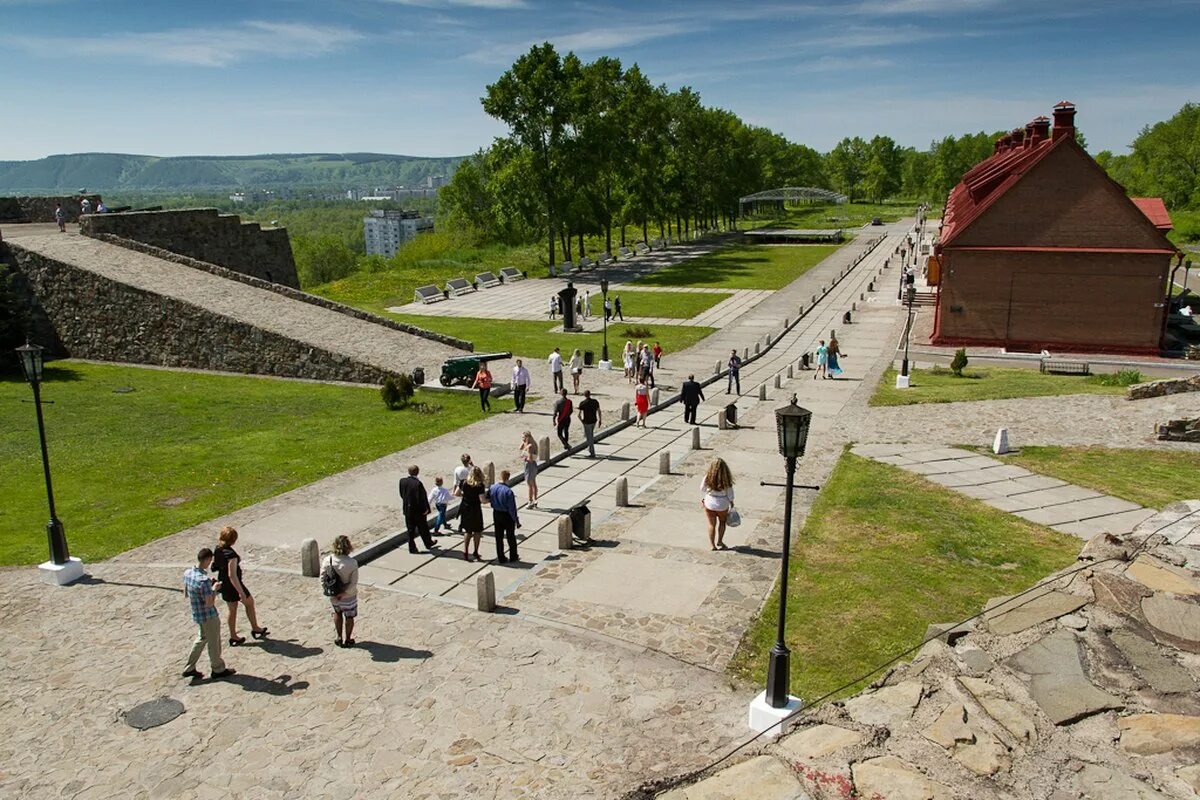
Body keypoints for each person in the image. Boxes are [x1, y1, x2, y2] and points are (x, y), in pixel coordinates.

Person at [182, 547, 234, 681]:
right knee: (214, 642)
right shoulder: (203, 581)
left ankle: (189, 667)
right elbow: (209, 603)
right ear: (207, 559)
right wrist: (214, 589)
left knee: (201, 638)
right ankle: (218, 669)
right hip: (209, 616)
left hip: (197, 614)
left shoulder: (188, 573)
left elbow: (186, 593)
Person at [212, 527, 268, 647]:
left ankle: (233, 635)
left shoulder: (218, 549)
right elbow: (232, 575)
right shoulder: (231, 555)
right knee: (249, 603)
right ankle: (255, 628)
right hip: (233, 585)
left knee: (232, 610)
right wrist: (241, 592)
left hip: (223, 583)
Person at [325, 535, 359, 647]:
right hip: (348, 596)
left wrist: (331, 592)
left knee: (337, 613)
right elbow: (353, 583)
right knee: (349, 616)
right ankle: (348, 639)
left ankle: (339, 637)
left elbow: (322, 578)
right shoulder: (352, 563)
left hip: (334, 595)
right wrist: (344, 593)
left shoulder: (328, 560)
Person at [398, 465, 435, 554]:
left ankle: (412, 547)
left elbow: (402, 494)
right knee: (423, 528)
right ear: (417, 472)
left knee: (410, 529)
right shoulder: (418, 484)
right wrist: (425, 509)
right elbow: (421, 498)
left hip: (408, 509)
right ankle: (428, 543)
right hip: (418, 511)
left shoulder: (402, 481)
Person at [701, 458, 735, 551]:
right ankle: (720, 541)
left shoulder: (708, 477)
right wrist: (732, 503)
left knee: (711, 524)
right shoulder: (726, 480)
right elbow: (730, 495)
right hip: (722, 504)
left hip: (710, 503)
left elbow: (702, 489)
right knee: (722, 523)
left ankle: (712, 545)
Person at [488, 470, 521, 563]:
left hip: (496, 513)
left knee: (499, 537)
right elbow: (512, 508)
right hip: (507, 515)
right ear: (508, 478)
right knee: (511, 537)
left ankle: (501, 557)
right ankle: (513, 556)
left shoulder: (493, 487)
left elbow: (488, 498)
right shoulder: (508, 491)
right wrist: (516, 520)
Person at [459, 466, 487, 561]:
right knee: (477, 531)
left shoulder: (464, 483)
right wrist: (490, 499)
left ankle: (466, 551)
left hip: (466, 508)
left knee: (468, 531)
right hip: (475, 509)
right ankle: (475, 551)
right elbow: (482, 500)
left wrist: (465, 495)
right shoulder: (480, 486)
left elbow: (457, 493)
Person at [578, 389, 601, 458]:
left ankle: (592, 452)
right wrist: (600, 420)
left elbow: (579, 415)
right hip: (594, 420)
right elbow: (599, 411)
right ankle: (589, 447)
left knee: (589, 437)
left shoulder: (582, 403)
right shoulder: (595, 401)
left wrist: (582, 421)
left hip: (587, 422)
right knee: (589, 434)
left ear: (584, 395)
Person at [520, 431, 539, 508]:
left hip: (529, 465)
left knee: (529, 484)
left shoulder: (530, 446)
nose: (522, 439)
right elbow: (520, 448)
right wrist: (524, 443)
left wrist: (524, 455)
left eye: (523, 437)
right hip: (533, 466)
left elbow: (530, 459)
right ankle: (535, 499)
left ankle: (530, 501)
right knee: (533, 483)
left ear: (527, 437)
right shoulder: (529, 444)